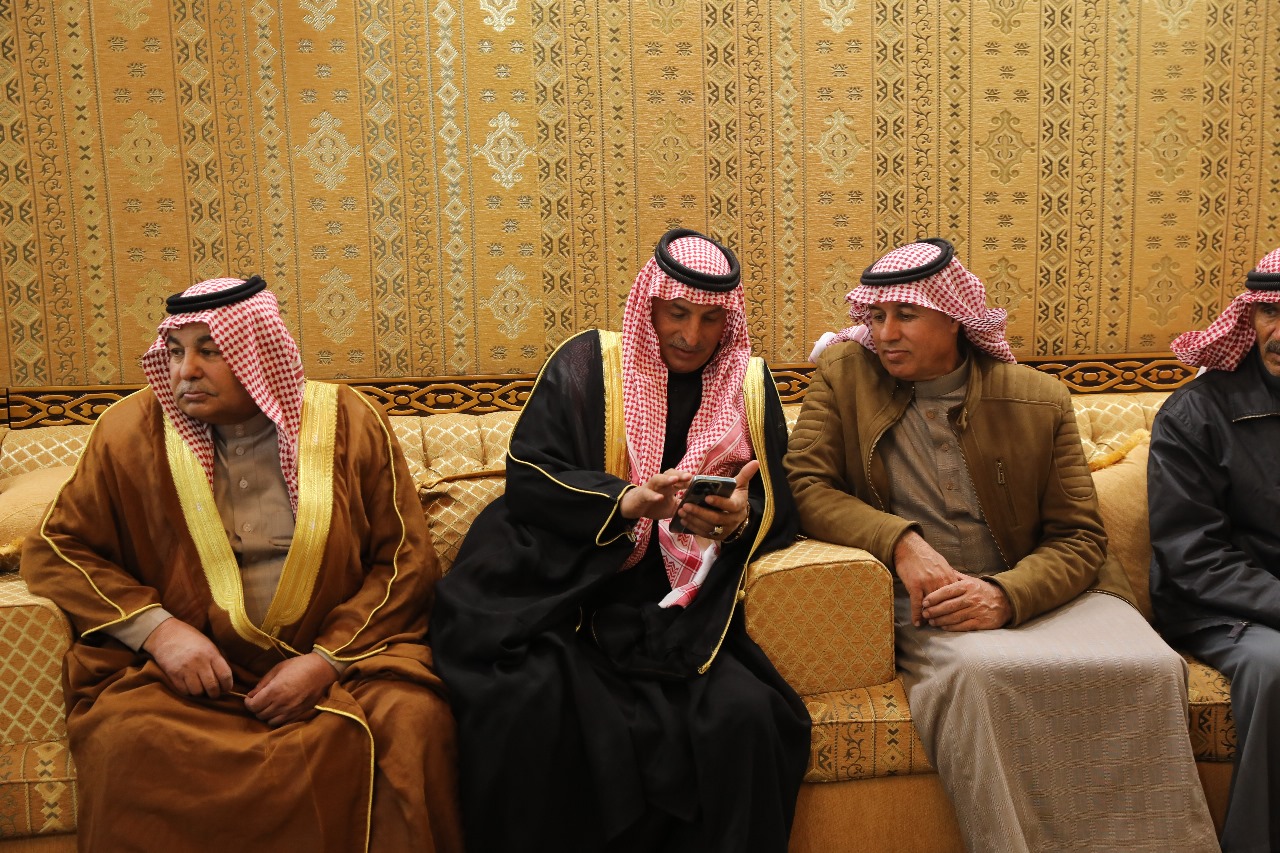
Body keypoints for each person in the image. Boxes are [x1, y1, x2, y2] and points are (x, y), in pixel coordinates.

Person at [787, 239, 1217, 853]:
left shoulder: (1037, 398)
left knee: (1151, 667)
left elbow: (1078, 537)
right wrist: (900, 542)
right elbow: (806, 486)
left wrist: (1006, 595)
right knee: (986, 673)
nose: (885, 333)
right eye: (876, 316)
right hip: (930, 600)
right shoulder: (844, 376)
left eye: (905, 315)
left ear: (955, 318)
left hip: (1047, 590)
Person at [21, 276, 462, 852]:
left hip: (344, 663)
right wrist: (159, 632)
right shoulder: (128, 433)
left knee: (412, 720)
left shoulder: (350, 421)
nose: (185, 371)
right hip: (189, 680)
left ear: (258, 352)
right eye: (174, 352)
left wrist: (325, 662)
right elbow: (57, 547)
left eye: (210, 350)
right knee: (126, 737)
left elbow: (404, 560)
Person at [429, 229, 810, 852]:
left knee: (749, 717)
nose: (692, 335)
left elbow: (780, 500)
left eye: (711, 319)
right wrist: (628, 501)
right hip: (556, 585)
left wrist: (738, 518)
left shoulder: (746, 383)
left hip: (672, 606)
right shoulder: (587, 363)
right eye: (676, 313)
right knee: (525, 703)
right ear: (649, 304)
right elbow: (529, 473)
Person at [1149, 245, 1280, 853]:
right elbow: (1192, 556)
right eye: (1271, 313)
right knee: (1275, 667)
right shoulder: (1196, 413)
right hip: (1222, 607)